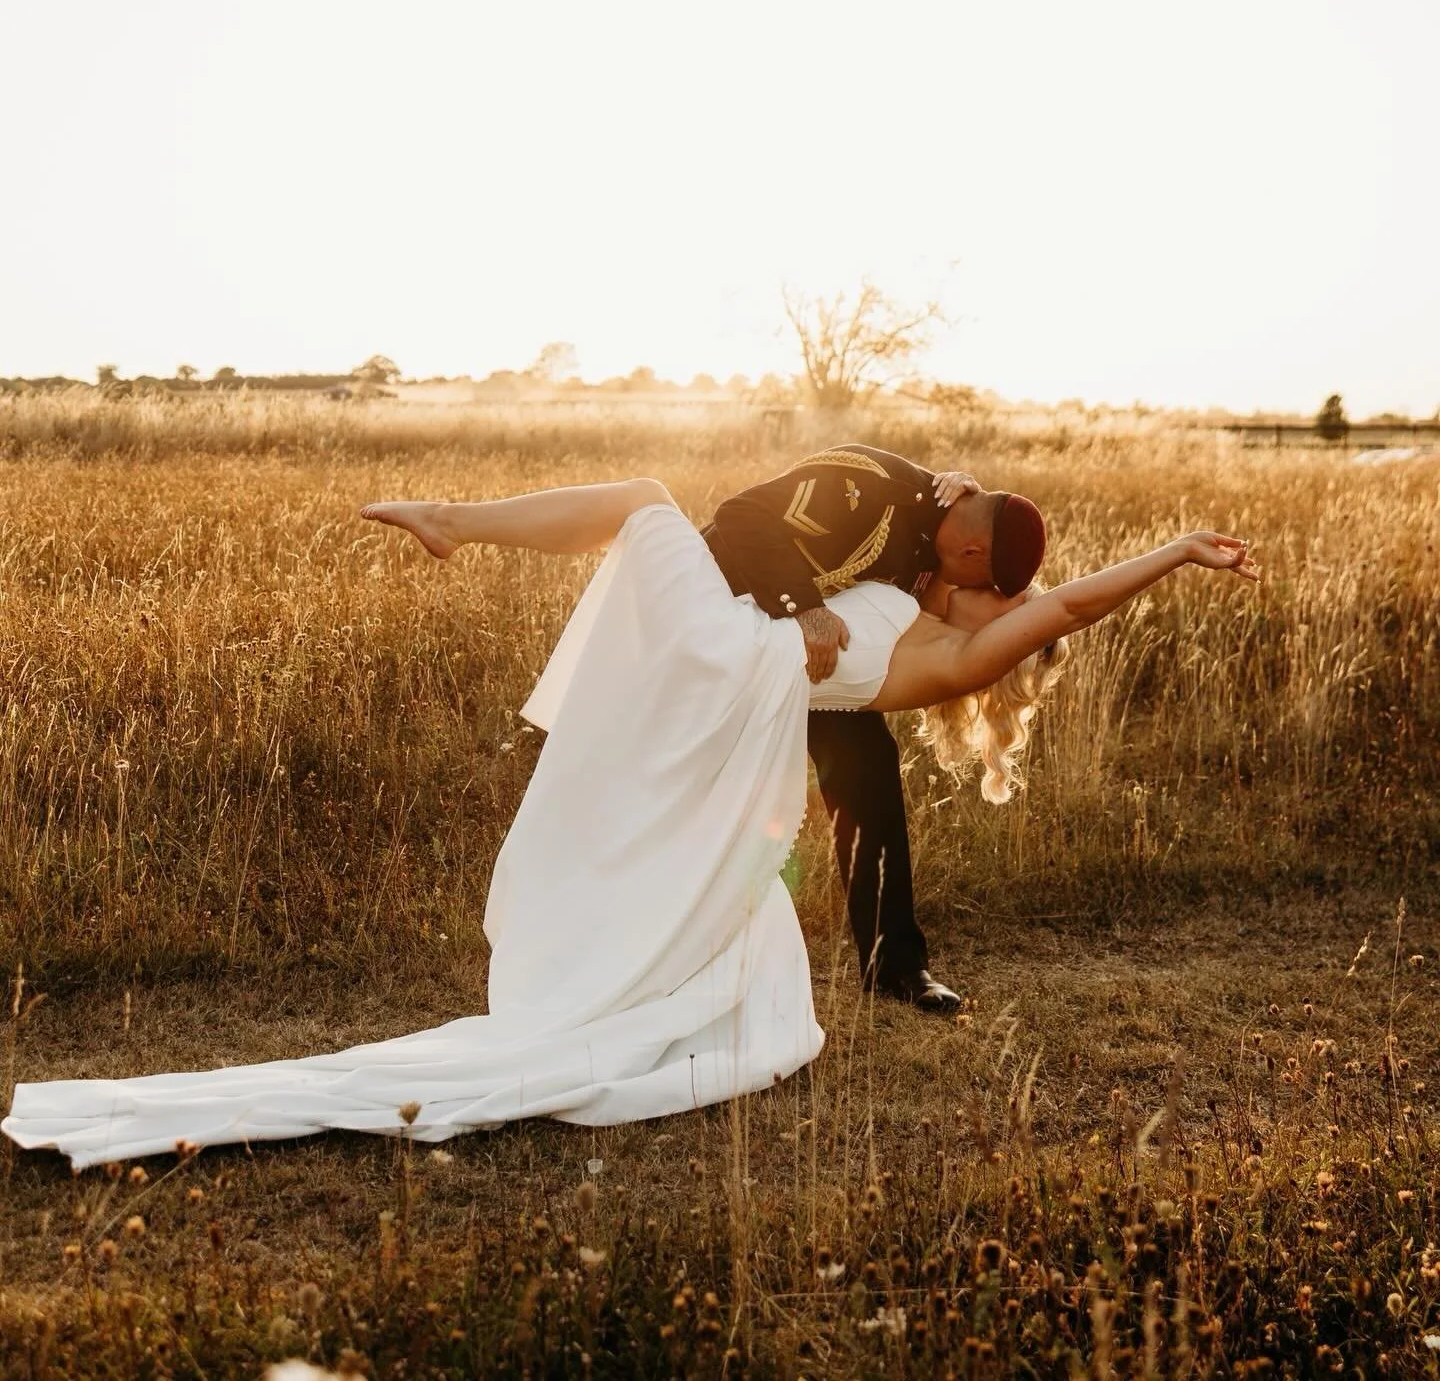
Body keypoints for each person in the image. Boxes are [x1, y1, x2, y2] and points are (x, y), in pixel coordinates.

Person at [2, 479, 1255, 1170]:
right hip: (741, 668)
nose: (950, 553)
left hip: (741, 664)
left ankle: (458, 520)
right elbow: (865, 515)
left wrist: (1171, 555)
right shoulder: (906, 587)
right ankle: (460, 525)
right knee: (658, 529)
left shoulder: (958, 650)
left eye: (973, 560)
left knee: (648, 498)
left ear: (993, 593)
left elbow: (1072, 604)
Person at [704, 444, 1046, 1013]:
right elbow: (740, 515)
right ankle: (701, 945)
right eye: (985, 582)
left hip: (819, 668)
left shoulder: (939, 523)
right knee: (715, 791)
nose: (971, 591)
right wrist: (804, 608)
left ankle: (896, 967)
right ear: (971, 550)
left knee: (871, 773)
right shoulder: (869, 488)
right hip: (727, 640)